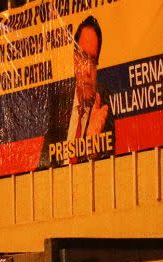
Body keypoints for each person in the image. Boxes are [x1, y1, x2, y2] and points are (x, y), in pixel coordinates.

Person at [40, 15, 115, 168]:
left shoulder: (103, 111)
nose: (88, 70)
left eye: (93, 61)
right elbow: (43, 164)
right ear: (74, 59)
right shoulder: (59, 102)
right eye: (83, 57)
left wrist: (92, 146)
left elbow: (109, 173)